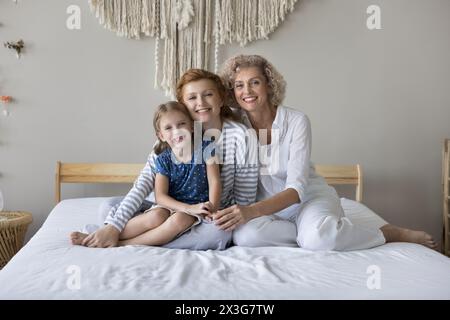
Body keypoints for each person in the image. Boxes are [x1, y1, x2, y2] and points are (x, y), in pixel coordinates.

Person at [214, 54, 437, 251]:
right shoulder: (234, 126)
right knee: (245, 236)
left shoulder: (296, 121)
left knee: (319, 238)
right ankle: (310, 233)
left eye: (255, 82)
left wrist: (251, 212)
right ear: (232, 91)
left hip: (307, 199)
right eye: (239, 85)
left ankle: (389, 233)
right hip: (268, 209)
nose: (247, 91)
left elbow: (296, 189)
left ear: (269, 85)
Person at [70, 69, 258, 249]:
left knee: (220, 234)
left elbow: (244, 198)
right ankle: (111, 232)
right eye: (192, 97)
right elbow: (143, 186)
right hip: (164, 207)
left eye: (208, 94)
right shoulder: (172, 139)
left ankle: (123, 241)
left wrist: (215, 213)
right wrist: (114, 225)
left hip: (206, 213)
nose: (200, 102)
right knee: (108, 207)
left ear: (221, 98)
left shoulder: (241, 136)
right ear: (182, 104)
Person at [72, 101, 221, 246]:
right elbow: (160, 197)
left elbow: (214, 182)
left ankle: (121, 243)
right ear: (161, 135)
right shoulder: (163, 159)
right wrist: (185, 207)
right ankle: (104, 233)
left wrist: (211, 208)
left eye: (181, 124)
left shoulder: (206, 148)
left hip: (196, 208)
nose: (176, 131)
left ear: (192, 126)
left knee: (180, 220)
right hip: (171, 206)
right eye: (168, 128)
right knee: (156, 216)